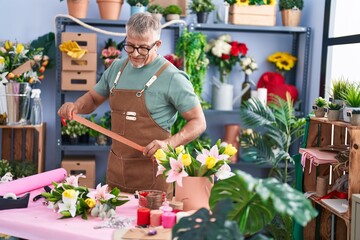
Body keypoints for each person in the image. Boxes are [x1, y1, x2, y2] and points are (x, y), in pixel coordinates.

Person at [58, 12, 206, 198]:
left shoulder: (172, 77)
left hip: (154, 176)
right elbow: (94, 99)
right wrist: (76, 106)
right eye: (130, 46)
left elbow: (198, 122)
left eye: (143, 48)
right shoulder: (116, 68)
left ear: (157, 45)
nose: (135, 54)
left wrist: (168, 144)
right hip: (117, 172)